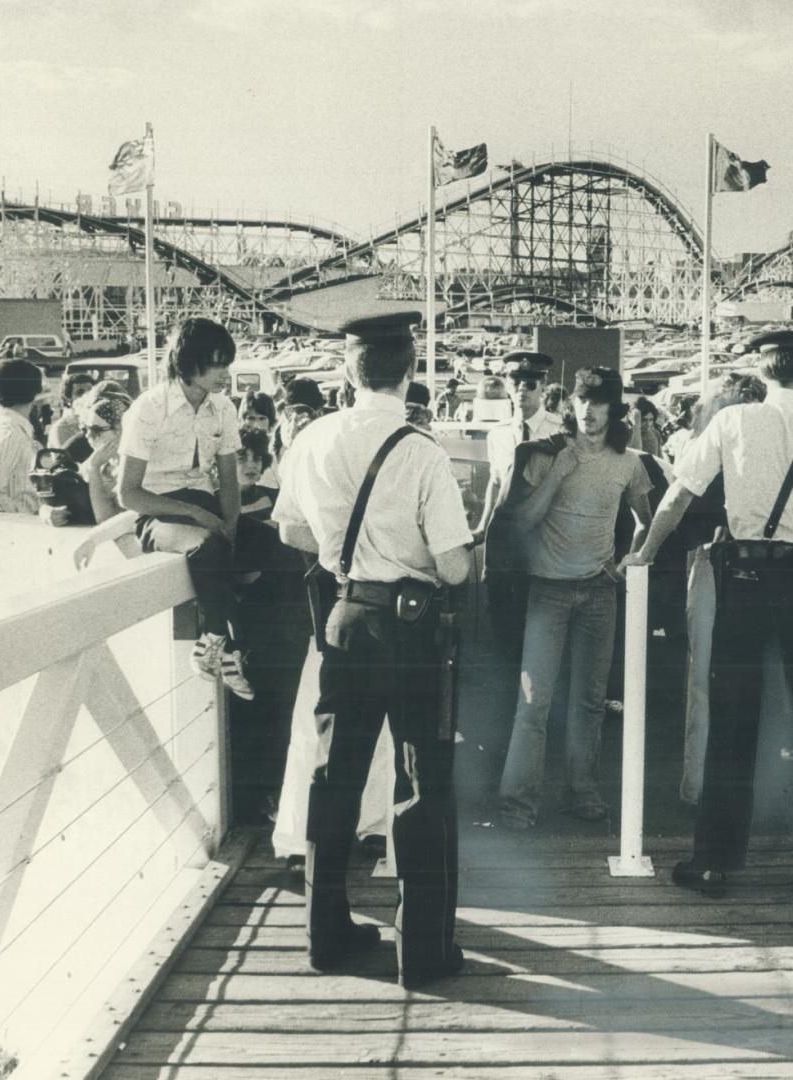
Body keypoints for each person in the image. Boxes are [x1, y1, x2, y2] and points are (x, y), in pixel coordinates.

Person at [621, 330, 793, 898]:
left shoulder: (732, 423)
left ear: (763, 372)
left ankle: (716, 860)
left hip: (744, 577)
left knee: (734, 720)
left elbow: (678, 497)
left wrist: (644, 552)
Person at [272, 309, 472, 989]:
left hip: (346, 617)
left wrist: (345, 553)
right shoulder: (420, 450)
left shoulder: (314, 439)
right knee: (419, 784)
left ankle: (324, 936)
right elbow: (453, 567)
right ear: (409, 369)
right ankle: (422, 951)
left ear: (348, 369)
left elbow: (291, 533)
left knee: (334, 779)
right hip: (411, 628)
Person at [496, 367, 653, 828]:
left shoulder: (629, 463)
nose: (588, 410)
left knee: (589, 700)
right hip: (548, 589)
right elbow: (521, 522)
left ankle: (581, 793)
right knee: (534, 700)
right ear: (571, 405)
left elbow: (647, 519)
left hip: (599, 590)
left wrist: (628, 560)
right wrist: (557, 476)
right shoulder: (548, 456)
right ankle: (517, 803)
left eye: (598, 402)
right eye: (582, 401)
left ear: (614, 409)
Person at [117, 319, 253, 700]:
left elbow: (229, 484)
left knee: (274, 547)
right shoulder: (149, 407)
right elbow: (128, 493)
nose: (226, 373)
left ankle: (232, 648)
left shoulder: (223, 408)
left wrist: (232, 529)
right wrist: (198, 516)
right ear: (189, 362)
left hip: (204, 506)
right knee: (207, 544)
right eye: (217, 363)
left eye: (227, 363)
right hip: (155, 514)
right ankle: (218, 639)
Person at [475, 353, 568, 651]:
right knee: (503, 612)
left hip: (545, 534)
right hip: (504, 538)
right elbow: (496, 481)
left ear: (542, 387)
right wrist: (482, 525)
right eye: (516, 382)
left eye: (530, 384)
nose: (522, 390)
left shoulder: (560, 432)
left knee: (542, 611)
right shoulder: (498, 434)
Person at [0, 357, 44, 513]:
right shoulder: (11, 433)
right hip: (19, 530)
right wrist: (21, 519)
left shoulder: (9, 428)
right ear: (36, 392)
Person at [77, 386, 131, 524]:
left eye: (96, 429)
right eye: (86, 429)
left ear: (120, 430)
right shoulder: (103, 460)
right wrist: (47, 512)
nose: (88, 435)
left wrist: (94, 469)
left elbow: (106, 520)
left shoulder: (132, 468)